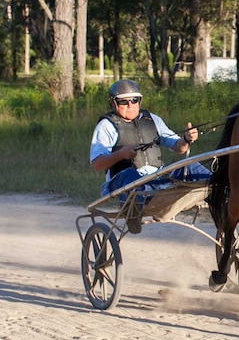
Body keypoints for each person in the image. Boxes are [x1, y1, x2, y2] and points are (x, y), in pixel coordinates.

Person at [89, 80, 210, 230]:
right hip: (123, 182)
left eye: (134, 100)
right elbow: (97, 164)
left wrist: (186, 138)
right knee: (129, 174)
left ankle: (221, 194)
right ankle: (134, 212)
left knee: (191, 165)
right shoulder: (107, 126)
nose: (130, 105)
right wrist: (121, 154)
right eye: (123, 101)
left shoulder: (152, 120)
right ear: (113, 104)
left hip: (156, 179)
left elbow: (179, 148)